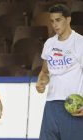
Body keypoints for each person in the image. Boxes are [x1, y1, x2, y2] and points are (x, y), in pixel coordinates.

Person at [36, 4, 83, 140]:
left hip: (73, 104)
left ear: (68, 19)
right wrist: (41, 82)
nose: (55, 25)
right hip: (51, 103)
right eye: (52, 21)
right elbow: (45, 71)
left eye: (58, 20)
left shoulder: (80, 42)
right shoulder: (49, 43)